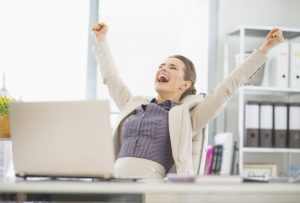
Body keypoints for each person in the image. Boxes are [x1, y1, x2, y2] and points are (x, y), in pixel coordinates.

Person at [91, 22, 284, 179]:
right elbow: (111, 78)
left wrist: (264, 50)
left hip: (150, 187)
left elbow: (227, 87)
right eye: (161, 66)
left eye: (172, 67)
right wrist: (101, 40)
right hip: (113, 182)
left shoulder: (188, 116)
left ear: (185, 84)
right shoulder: (133, 105)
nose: (163, 69)